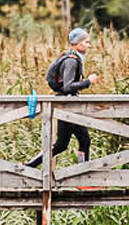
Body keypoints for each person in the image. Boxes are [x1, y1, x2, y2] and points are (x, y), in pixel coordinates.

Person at [27, 27, 101, 167]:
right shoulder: (71, 61)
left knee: (80, 141)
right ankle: (30, 166)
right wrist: (88, 82)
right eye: (86, 42)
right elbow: (68, 86)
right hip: (67, 105)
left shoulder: (73, 58)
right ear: (78, 44)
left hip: (69, 105)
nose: (89, 45)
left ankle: (81, 174)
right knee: (67, 144)